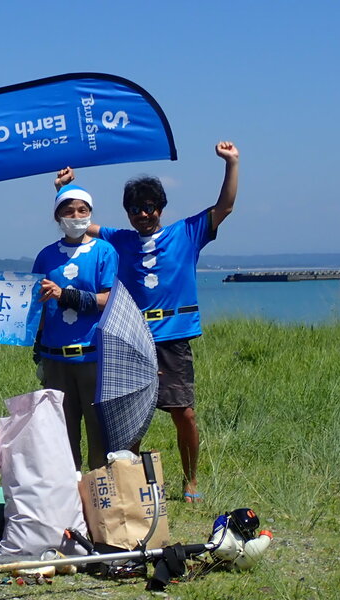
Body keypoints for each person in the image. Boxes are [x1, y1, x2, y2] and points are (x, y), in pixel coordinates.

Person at [57, 141, 240, 501]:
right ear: (127, 213)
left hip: (173, 338)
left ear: (160, 207)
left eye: (149, 207)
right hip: (132, 339)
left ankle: (190, 482)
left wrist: (231, 163)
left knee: (184, 414)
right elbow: (79, 223)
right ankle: (130, 483)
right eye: (135, 209)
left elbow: (226, 206)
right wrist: (66, 189)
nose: (143, 214)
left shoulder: (186, 233)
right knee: (130, 416)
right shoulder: (120, 240)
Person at [33, 183, 117, 471]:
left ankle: (98, 488)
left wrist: (66, 295)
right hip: (55, 359)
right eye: (69, 211)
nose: (76, 216)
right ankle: (67, 488)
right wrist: (37, 348)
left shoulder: (104, 252)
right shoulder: (46, 256)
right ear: (58, 216)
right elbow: (35, 306)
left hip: (93, 357)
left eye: (83, 210)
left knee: (99, 432)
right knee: (60, 434)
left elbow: (109, 300)